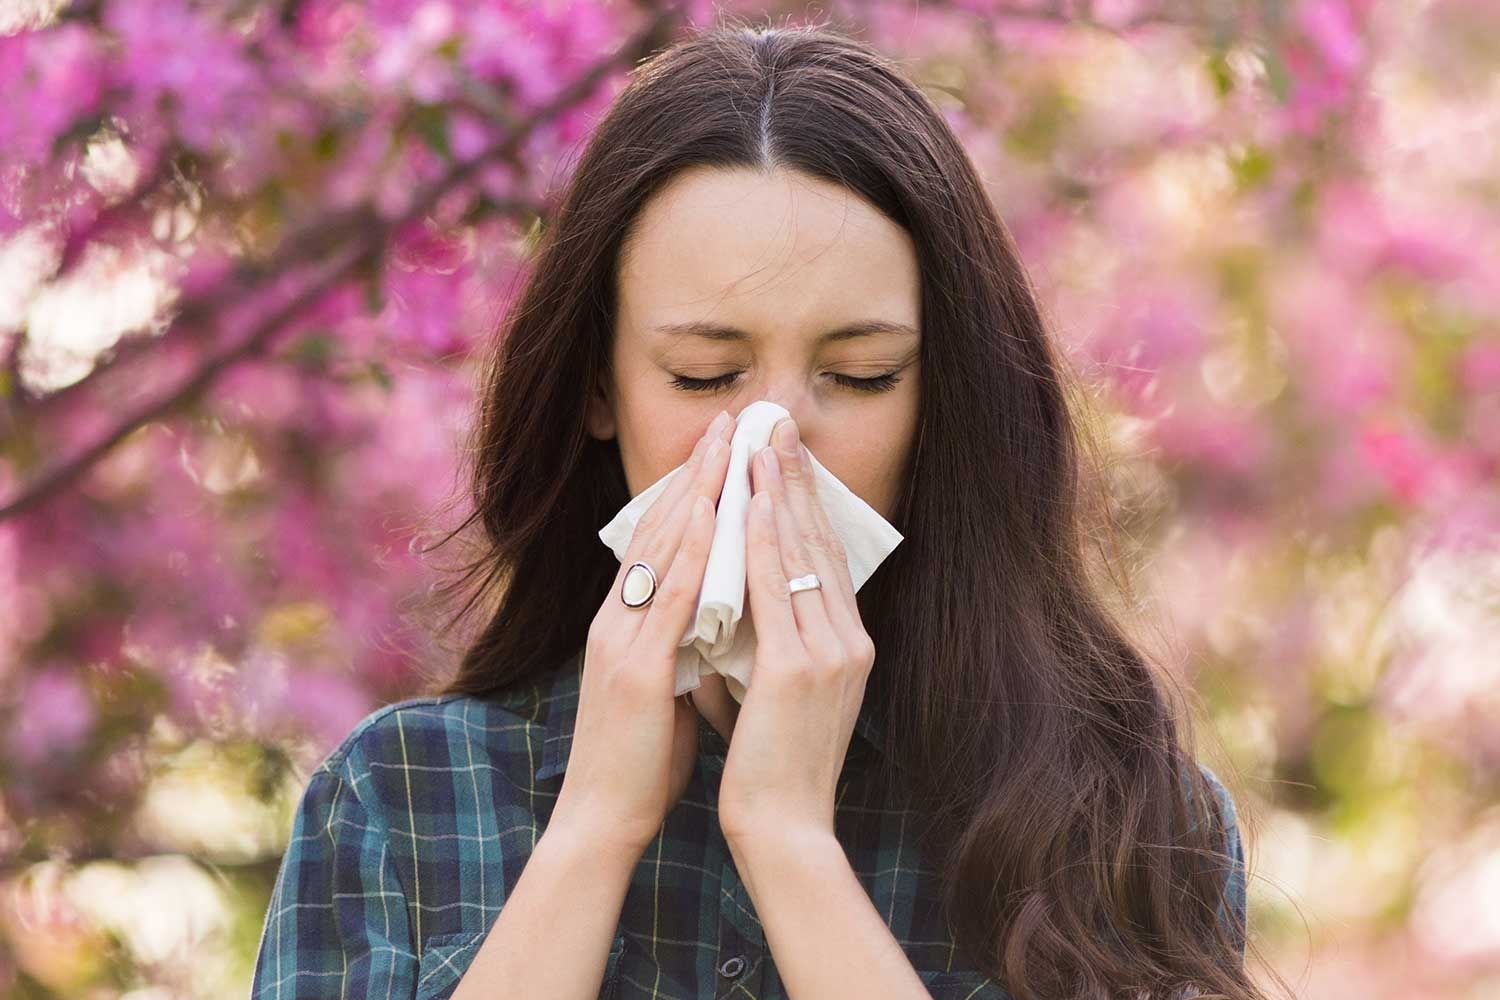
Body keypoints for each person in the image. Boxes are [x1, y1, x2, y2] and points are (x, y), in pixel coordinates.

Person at [249, 20, 1263, 1000]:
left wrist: (789, 843)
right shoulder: (399, 801)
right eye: (705, 373)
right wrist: (594, 825)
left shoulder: (1123, 828)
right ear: (599, 386)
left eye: (860, 375)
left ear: (938, 394)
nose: (773, 440)